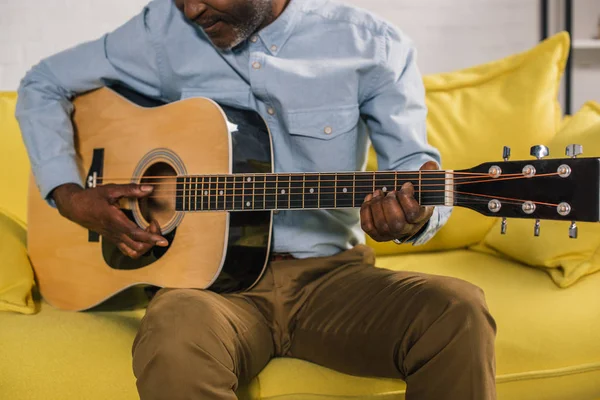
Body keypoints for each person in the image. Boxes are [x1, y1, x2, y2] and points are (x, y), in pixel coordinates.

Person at [15, 0, 497, 399]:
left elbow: (413, 164)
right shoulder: (162, 31)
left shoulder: (372, 45)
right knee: (174, 335)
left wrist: (413, 215)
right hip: (207, 291)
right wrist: (70, 195)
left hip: (330, 280)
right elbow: (43, 83)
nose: (191, 9)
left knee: (458, 311)